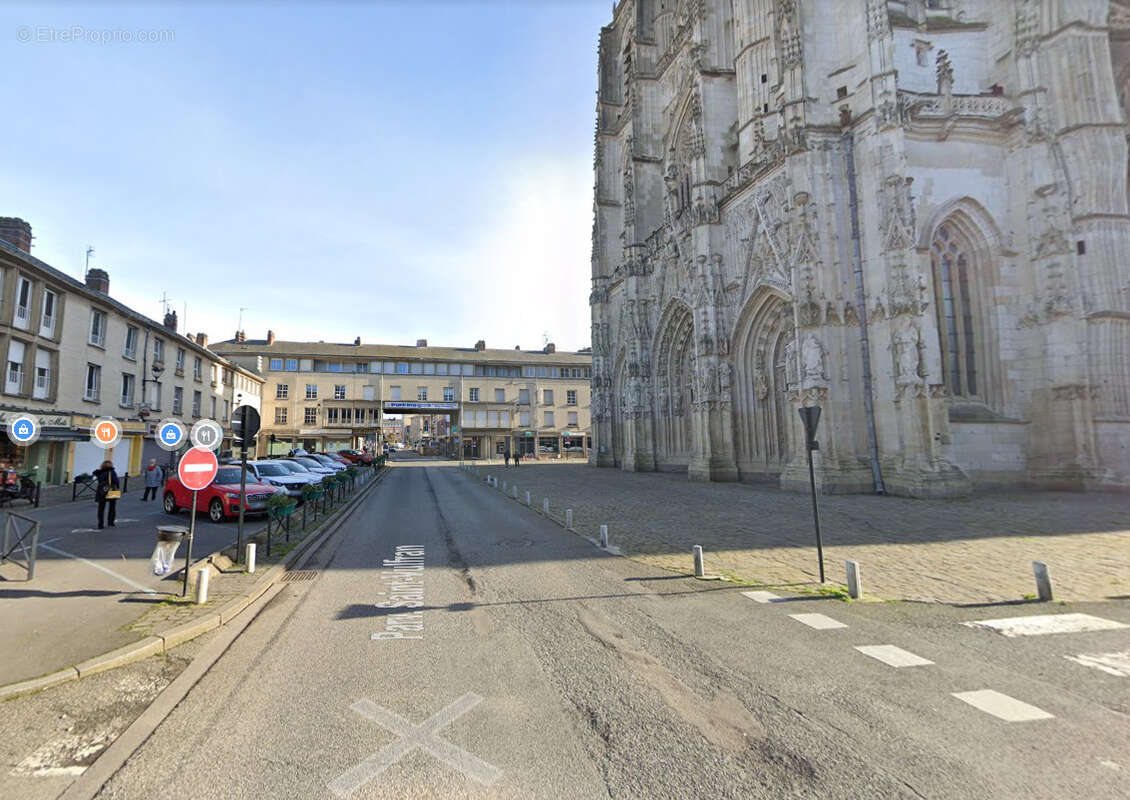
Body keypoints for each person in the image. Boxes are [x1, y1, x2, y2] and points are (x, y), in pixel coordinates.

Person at [93, 460, 120, 529]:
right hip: (111, 490)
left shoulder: (100, 473)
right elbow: (116, 481)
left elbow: (99, 481)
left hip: (101, 491)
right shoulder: (112, 472)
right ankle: (110, 522)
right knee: (112, 507)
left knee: (101, 508)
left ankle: (100, 524)